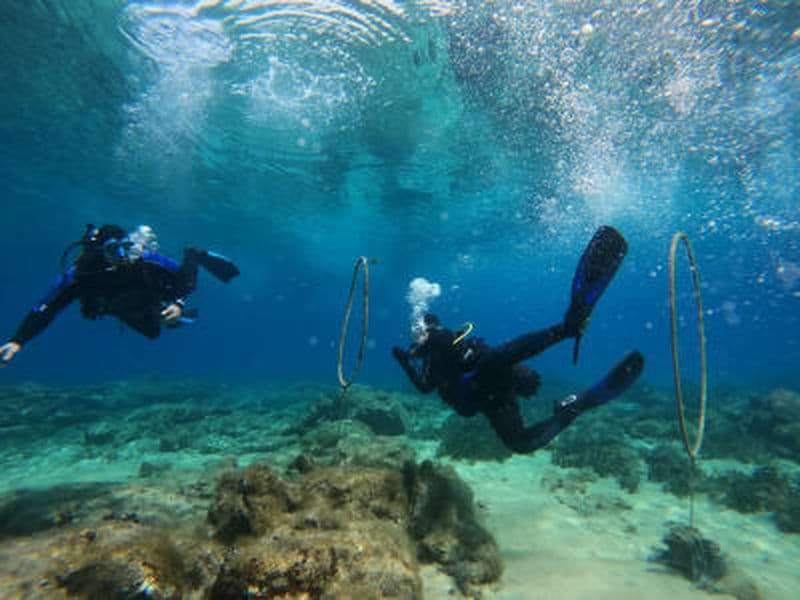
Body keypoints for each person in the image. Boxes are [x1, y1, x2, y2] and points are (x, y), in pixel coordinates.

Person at [392, 226, 645, 454]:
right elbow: (425, 388)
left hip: (489, 373)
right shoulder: (429, 364)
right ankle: (574, 407)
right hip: (492, 399)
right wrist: (405, 361)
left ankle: (566, 328)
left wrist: (422, 343)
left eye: (421, 330)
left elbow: (443, 341)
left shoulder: (441, 338)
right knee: (520, 443)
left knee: (501, 357)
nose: (417, 335)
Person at [0, 224, 240, 365]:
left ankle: (193, 254)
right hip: (120, 305)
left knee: (165, 320)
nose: (123, 255)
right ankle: (166, 315)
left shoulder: (144, 260)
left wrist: (177, 303)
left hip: (149, 294)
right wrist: (18, 340)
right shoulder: (80, 275)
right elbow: (46, 307)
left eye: (126, 247)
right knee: (154, 333)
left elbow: (184, 281)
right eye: (114, 250)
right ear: (99, 252)